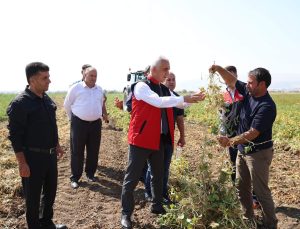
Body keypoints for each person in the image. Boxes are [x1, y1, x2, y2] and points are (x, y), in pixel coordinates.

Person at [120, 56, 205, 229]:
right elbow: (158, 102)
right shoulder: (142, 86)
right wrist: (184, 99)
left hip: (158, 139)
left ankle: (157, 206)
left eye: (168, 69)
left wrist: (193, 99)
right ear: (154, 69)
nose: (167, 72)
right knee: (132, 179)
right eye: (165, 69)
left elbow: (178, 103)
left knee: (158, 176)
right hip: (141, 139)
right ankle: (126, 214)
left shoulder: (163, 88)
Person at [210, 65, 278, 229]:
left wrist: (230, 141)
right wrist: (218, 68)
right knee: (242, 187)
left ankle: (271, 224)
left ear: (262, 84)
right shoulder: (249, 92)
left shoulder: (266, 106)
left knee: (261, 192)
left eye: (250, 82)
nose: (246, 85)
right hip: (243, 151)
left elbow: (253, 133)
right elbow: (231, 80)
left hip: (258, 153)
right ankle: (248, 219)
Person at [6, 62, 67, 229]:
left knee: (50, 194)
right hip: (31, 158)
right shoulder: (20, 104)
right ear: (32, 80)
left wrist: (57, 144)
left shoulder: (46, 98)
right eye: (45, 78)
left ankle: (47, 223)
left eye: (48, 76)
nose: (49, 81)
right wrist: (22, 163)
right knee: (32, 198)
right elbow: (15, 136)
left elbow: (51, 125)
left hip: (49, 156)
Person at [144, 72, 186, 204]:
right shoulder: (156, 96)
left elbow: (179, 119)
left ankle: (163, 194)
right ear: (163, 81)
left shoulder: (178, 98)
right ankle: (149, 192)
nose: (171, 82)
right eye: (169, 79)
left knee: (165, 167)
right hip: (154, 137)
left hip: (168, 137)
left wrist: (182, 136)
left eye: (174, 79)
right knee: (153, 167)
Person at [64, 67, 107, 189]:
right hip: (79, 123)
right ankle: (75, 178)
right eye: (91, 75)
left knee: (93, 150)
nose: (93, 78)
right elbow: (67, 104)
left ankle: (90, 174)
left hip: (95, 124)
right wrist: (72, 119)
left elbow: (101, 103)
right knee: (77, 151)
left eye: (95, 76)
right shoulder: (76, 88)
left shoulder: (99, 89)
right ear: (84, 75)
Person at [219, 66, 243, 183]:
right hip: (231, 135)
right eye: (226, 76)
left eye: (232, 76)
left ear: (236, 77)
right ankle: (236, 189)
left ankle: (251, 195)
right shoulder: (223, 96)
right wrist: (222, 133)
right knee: (234, 162)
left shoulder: (243, 93)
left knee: (245, 164)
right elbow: (222, 117)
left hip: (244, 134)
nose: (229, 79)